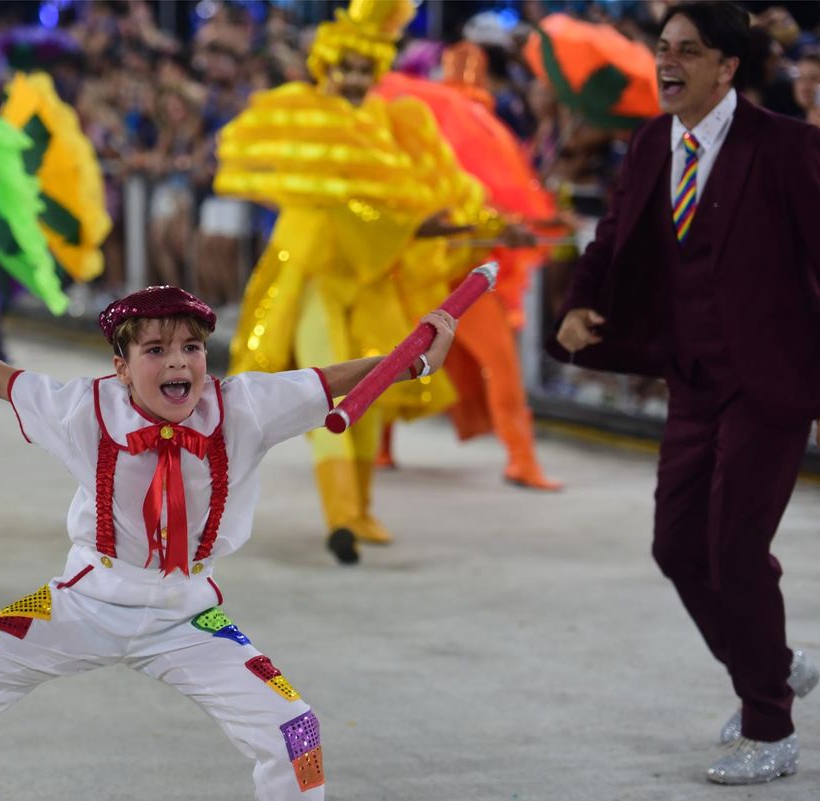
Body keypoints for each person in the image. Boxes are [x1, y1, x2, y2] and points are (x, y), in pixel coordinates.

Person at [0, 285, 457, 801]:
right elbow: (3, 380)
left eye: (191, 347)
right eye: (157, 350)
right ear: (120, 367)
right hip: (82, 602)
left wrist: (417, 359)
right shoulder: (83, 410)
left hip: (190, 617)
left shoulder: (242, 407)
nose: (180, 363)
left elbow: (332, 381)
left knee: (294, 729)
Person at [549, 1, 820, 784]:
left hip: (770, 382)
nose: (667, 64)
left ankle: (770, 725)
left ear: (727, 67)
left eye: (688, 52)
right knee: (677, 546)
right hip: (691, 377)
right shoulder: (649, 142)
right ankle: (774, 662)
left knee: (734, 548)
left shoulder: (788, 147)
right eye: (662, 49)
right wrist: (578, 305)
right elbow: (612, 238)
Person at [215, 0, 493, 564]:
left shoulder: (391, 125)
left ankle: (361, 510)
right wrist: (411, 221)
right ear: (325, 67)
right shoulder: (302, 117)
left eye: (364, 69)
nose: (353, 79)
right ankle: (340, 515)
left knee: (376, 387)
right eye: (344, 67)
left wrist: (445, 222)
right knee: (326, 388)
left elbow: (403, 202)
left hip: (370, 280)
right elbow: (335, 202)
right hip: (311, 280)